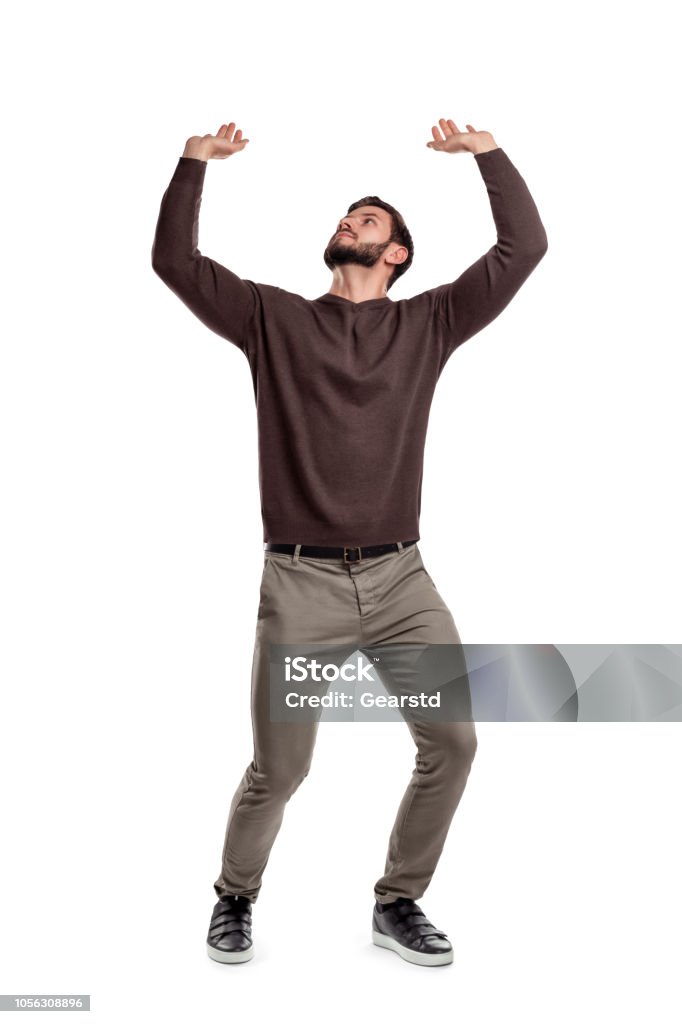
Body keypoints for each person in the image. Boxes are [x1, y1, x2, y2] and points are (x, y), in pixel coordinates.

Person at [151, 116, 548, 967]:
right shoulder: (272, 319)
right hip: (301, 585)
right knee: (280, 770)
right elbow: (175, 265)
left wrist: (487, 155)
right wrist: (193, 166)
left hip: (404, 580)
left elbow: (524, 249)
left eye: (368, 219)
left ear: (398, 254)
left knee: (453, 742)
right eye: (346, 216)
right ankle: (234, 896)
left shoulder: (431, 324)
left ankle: (398, 901)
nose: (350, 222)